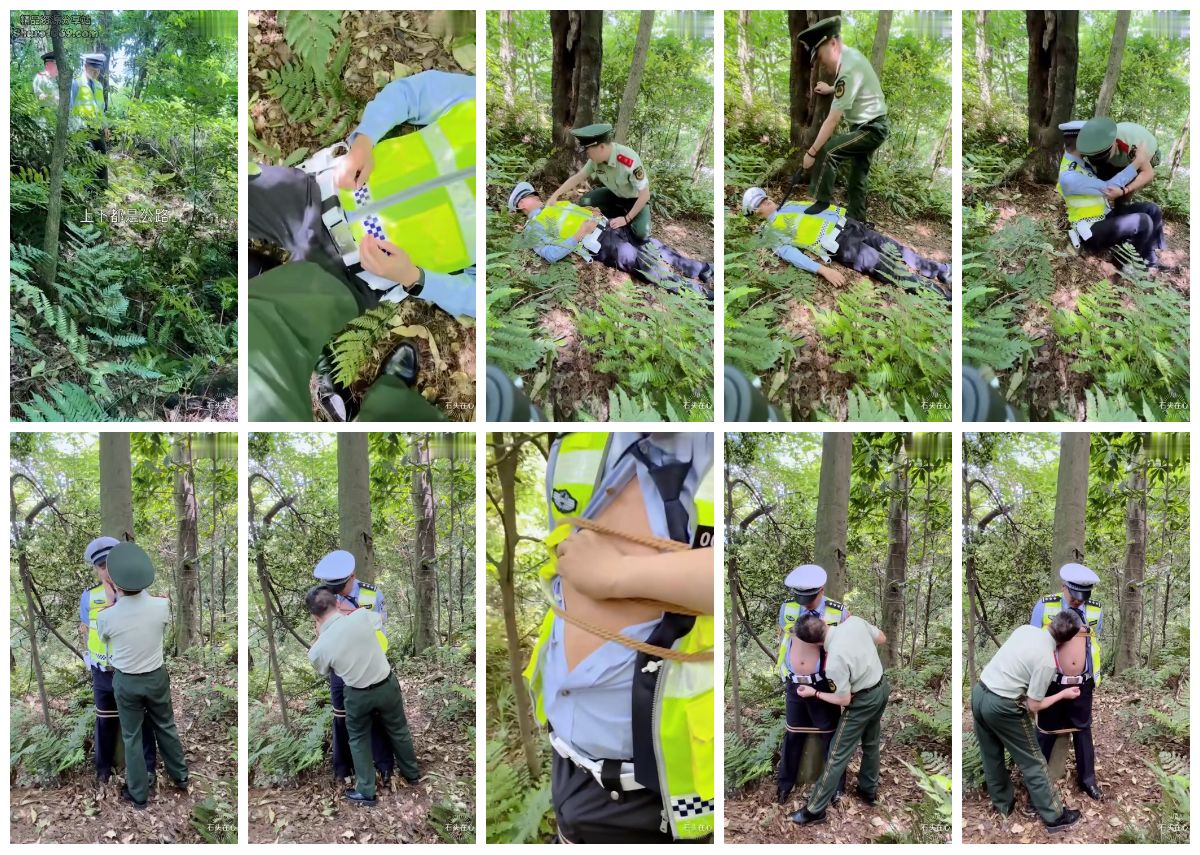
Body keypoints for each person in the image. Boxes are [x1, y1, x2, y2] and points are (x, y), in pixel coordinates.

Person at [247, 70, 476, 422]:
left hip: (355, 277)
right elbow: (409, 94)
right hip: (315, 195)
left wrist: (415, 277)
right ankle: (258, 275)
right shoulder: (476, 99)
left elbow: (476, 296)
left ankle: (257, 277)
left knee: (269, 340)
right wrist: (363, 142)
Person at [523, 433, 715, 842]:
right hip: (570, 765)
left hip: (659, 790)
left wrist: (617, 576)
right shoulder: (574, 438)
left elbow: (734, 574)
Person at [971, 610, 1086, 833]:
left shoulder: (1025, 630)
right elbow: (1034, 705)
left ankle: (1003, 805)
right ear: (1068, 640)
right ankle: (1055, 817)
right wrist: (1062, 695)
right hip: (1003, 706)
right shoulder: (1047, 661)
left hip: (979, 693)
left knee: (991, 753)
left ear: (1052, 621)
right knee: (1033, 761)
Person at [307, 586, 420, 806]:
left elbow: (322, 668)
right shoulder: (363, 617)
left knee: (358, 739)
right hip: (386, 685)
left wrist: (321, 635)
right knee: (398, 729)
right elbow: (379, 621)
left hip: (357, 695)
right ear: (337, 603)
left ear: (314, 616)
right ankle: (412, 774)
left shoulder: (319, 648)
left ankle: (367, 792)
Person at [95, 543, 189, 809]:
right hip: (156, 677)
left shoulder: (107, 617)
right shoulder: (162, 606)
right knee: (166, 726)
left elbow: (103, 638)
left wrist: (114, 599)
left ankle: (138, 795)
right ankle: (180, 777)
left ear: (115, 580)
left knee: (132, 735)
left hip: (126, 682)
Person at [507, 182, 713, 298]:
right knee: (643, 263)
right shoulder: (532, 229)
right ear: (521, 204)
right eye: (532, 195)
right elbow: (551, 255)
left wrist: (591, 211)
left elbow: (573, 215)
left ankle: (701, 269)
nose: (537, 195)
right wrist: (581, 232)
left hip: (608, 225)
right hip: (599, 243)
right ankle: (698, 294)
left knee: (653, 244)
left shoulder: (554, 205)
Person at [742, 187, 951, 299]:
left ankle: (942, 271)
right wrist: (822, 270)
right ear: (755, 213)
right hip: (842, 245)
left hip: (851, 226)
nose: (765, 200)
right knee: (890, 269)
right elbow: (790, 254)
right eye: (758, 203)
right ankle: (941, 297)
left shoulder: (790, 204)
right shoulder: (771, 232)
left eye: (764, 196)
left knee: (897, 249)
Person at [789, 614, 889, 826]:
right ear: (824, 622)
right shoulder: (855, 623)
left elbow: (843, 698)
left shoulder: (834, 661)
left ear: (813, 644)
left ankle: (815, 810)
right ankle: (868, 791)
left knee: (836, 753)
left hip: (862, 701)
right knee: (871, 742)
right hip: (881, 688)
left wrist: (814, 693)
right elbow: (881, 637)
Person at [312, 549, 395, 787]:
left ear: (352, 576)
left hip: (370, 663)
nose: (336, 591)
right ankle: (342, 767)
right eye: (332, 586)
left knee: (376, 714)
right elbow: (321, 633)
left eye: (340, 585)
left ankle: (384, 766)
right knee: (341, 715)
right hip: (340, 667)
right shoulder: (325, 598)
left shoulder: (371, 594)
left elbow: (378, 629)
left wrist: (351, 618)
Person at [80, 537, 157, 786]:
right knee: (105, 721)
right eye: (101, 566)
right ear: (96, 569)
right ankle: (103, 771)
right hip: (103, 672)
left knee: (142, 720)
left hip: (134, 669)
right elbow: (86, 629)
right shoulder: (89, 598)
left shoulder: (139, 594)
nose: (107, 570)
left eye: (111, 564)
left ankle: (148, 770)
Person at [796, 17, 888, 222]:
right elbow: (853, 86)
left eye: (820, 56)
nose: (821, 62)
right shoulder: (850, 58)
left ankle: (822, 200)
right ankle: (857, 221)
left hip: (871, 129)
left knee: (828, 151)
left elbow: (832, 119)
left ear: (833, 44)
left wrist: (811, 153)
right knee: (858, 178)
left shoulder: (847, 69)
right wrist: (831, 89)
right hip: (871, 125)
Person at [1029, 562, 1104, 801]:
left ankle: (1087, 781)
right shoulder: (1045, 605)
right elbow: (1032, 640)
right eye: (1073, 595)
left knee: (1083, 731)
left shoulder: (1094, 610)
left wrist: (1091, 678)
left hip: (1082, 682)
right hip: (1051, 681)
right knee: (1045, 732)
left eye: (1083, 596)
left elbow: (1094, 642)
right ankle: (1037, 789)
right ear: (1064, 588)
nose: (1077, 601)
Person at [775, 564, 847, 805]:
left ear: (821, 590)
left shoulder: (837, 612)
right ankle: (785, 785)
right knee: (793, 735)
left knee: (830, 738)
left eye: (809, 597)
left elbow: (846, 646)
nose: (804, 602)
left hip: (824, 685)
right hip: (795, 684)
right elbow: (784, 638)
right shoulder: (788, 609)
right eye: (800, 596)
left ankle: (836, 789)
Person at [1055, 120, 1167, 270]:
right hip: (1090, 230)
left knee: (1152, 209)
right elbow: (1108, 188)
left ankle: (1149, 261)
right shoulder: (1069, 174)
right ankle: (1118, 267)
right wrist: (1137, 162)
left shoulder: (1084, 162)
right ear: (1081, 142)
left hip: (1105, 218)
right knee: (1143, 221)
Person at [546, 124, 653, 241]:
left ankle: (625, 214)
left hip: (635, 199)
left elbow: (645, 195)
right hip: (614, 194)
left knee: (642, 234)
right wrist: (555, 195)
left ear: (601, 147)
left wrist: (626, 219)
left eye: (587, 151)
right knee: (584, 202)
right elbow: (578, 177)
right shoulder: (595, 161)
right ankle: (617, 212)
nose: (586, 154)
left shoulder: (628, 160)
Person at [69, 53, 108, 182]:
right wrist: (70, 131)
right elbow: (69, 106)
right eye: (93, 70)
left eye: (98, 70)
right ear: (85, 67)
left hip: (97, 129)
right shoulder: (76, 84)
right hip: (81, 129)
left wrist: (105, 126)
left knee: (102, 158)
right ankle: (88, 193)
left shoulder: (98, 86)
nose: (96, 73)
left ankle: (103, 189)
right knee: (87, 159)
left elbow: (101, 108)